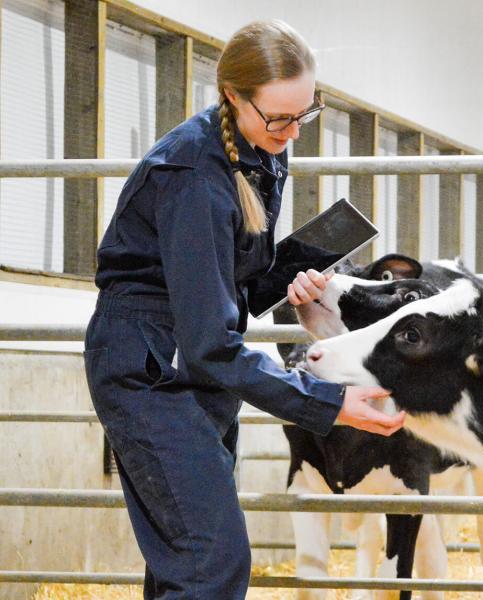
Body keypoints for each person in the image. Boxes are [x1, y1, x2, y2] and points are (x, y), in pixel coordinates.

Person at [83, 20, 404, 599]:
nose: (292, 131)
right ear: (231, 94)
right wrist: (326, 403)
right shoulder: (194, 177)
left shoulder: (259, 150)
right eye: (278, 116)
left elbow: (235, 285)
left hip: (191, 361)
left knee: (187, 562)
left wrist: (295, 273)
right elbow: (209, 343)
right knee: (211, 563)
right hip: (152, 369)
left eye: (304, 114)